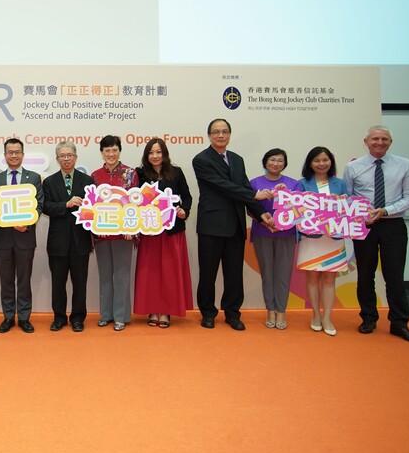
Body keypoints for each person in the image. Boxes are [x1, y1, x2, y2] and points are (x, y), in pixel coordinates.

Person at [343, 125, 409, 344]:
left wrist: (386, 210)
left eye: (384, 139)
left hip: (393, 224)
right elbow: (347, 198)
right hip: (365, 226)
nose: (380, 142)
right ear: (366, 141)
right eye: (375, 139)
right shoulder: (353, 167)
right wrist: (360, 215)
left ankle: (399, 323)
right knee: (365, 274)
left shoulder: (405, 165)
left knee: (394, 275)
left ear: (390, 142)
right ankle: (368, 318)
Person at [192, 119, 273, 331]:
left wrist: (260, 212)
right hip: (212, 225)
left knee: (234, 274)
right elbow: (223, 186)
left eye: (225, 131)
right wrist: (254, 194)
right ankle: (208, 313)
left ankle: (232, 313)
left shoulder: (237, 159)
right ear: (209, 135)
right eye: (216, 132)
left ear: (229, 135)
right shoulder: (201, 160)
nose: (220, 135)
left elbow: (243, 187)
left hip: (236, 224)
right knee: (208, 273)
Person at [133, 138, 192, 329]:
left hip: (171, 229)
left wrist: (184, 211)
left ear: (164, 154)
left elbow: (187, 197)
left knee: (169, 272)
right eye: (151, 152)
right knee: (149, 272)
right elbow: (133, 199)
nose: (155, 156)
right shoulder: (139, 173)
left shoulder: (176, 172)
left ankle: (166, 311)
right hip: (149, 230)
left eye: (158, 152)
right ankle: (152, 309)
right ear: (146, 155)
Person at [0, 138, 44, 334]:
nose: (13, 155)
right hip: (3, 238)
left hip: (25, 237)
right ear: (5, 156)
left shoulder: (34, 178)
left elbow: (39, 205)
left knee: (24, 279)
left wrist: (28, 223)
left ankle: (23, 317)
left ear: (23, 154)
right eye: (10, 152)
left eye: (17, 152)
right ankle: (7, 317)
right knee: (6, 280)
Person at [296, 147, 351, 337]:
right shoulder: (302, 184)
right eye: (317, 160)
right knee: (312, 278)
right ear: (310, 163)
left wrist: (345, 203)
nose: (321, 164)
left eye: (325, 160)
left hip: (334, 239)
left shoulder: (341, 184)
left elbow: (350, 210)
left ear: (331, 162)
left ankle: (327, 317)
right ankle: (315, 315)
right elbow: (296, 210)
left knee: (329, 279)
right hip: (311, 239)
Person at [42, 140, 94, 332]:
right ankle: (59, 317)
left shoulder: (87, 181)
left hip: (80, 240)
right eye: (62, 156)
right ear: (57, 159)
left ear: (75, 157)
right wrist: (66, 204)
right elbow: (46, 207)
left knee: (80, 283)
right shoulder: (49, 182)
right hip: (58, 242)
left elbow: (93, 209)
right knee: (58, 283)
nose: (66, 159)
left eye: (69, 155)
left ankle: (78, 318)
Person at [91, 135, 139, 331]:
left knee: (121, 275)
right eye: (107, 151)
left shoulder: (130, 173)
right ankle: (105, 315)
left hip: (123, 234)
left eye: (114, 150)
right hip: (101, 235)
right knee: (104, 275)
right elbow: (92, 206)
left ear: (120, 151)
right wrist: (97, 229)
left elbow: (135, 203)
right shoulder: (94, 176)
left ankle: (120, 316)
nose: (110, 154)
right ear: (101, 153)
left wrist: (131, 229)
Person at [249, 148, 299, 330]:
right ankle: (270, 310)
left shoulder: (294, 184)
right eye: (272, 160)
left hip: (286, 234)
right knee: (267, 274)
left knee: (283, 274)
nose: (276, 163)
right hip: (262, 233)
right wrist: (265, 223)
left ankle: (282, 311)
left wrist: (287, 195)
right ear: (265, 162)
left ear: (285, 164)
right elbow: (250, 208)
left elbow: (300, 210)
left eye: (280, 160)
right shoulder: (255, 183)